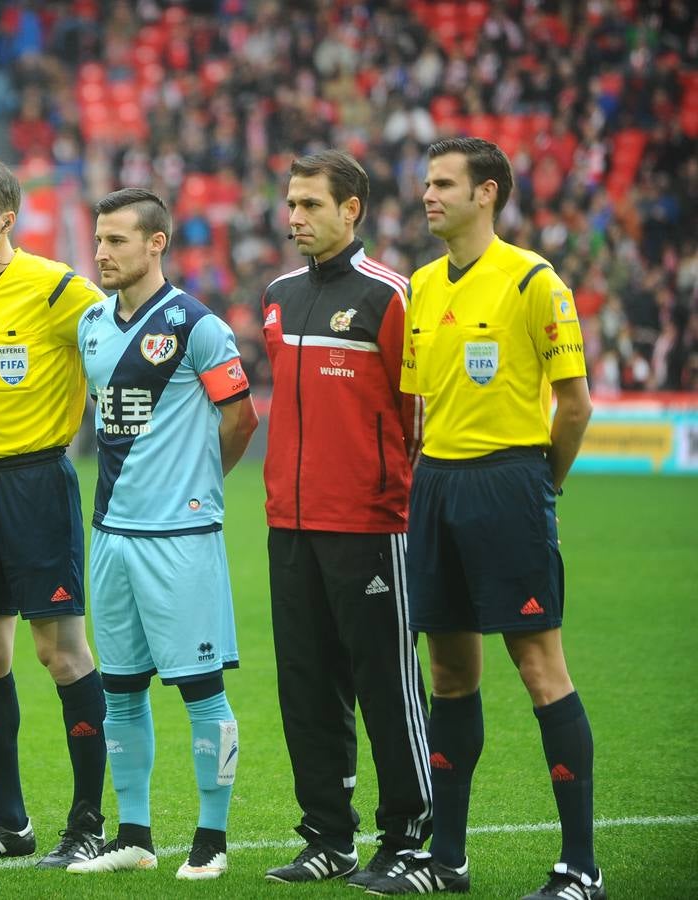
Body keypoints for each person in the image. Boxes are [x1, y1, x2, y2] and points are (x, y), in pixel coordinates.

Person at [367, 138, 598, 899]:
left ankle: (579, 870)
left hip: (508, 484)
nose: (427, 194)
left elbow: (575, 406)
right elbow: (422, 407)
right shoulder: (424, 286)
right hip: (436, 486)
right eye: (425, 181)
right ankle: (449, 863)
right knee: (449, 672)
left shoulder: (534, 280)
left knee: (539, 668)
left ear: (488, 193)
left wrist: (541, 486)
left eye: (444, 183)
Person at [65, 189, 257, 880]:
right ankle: (135, 835)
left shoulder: (195, 324)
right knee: (120, 689)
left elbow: (240, 419)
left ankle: (212, 839)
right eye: (100, 238)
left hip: (180, 536)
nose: (103, 251)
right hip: (111, 534)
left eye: (118, 239)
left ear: (156, 243)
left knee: (202, 689)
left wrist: (198, 486)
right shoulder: (90, 324)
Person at [258, 150, 433, 888]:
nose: (294, 217)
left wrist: (383, 493)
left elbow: (416, 417)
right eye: (291, 203)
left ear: (350, 209)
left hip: (367, 526)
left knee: (388, 685)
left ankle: (410, 840)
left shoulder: (391, 296)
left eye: (309, 204)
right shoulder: (278, 293)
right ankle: (328, 837)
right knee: (305, 684)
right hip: (287, 525)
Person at [0, 158, 109, 867]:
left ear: (7, 218)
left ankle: (89, 821)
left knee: (58, 653)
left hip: (37, 483)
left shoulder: (59, 288)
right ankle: (7, 820)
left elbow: (125, 337)